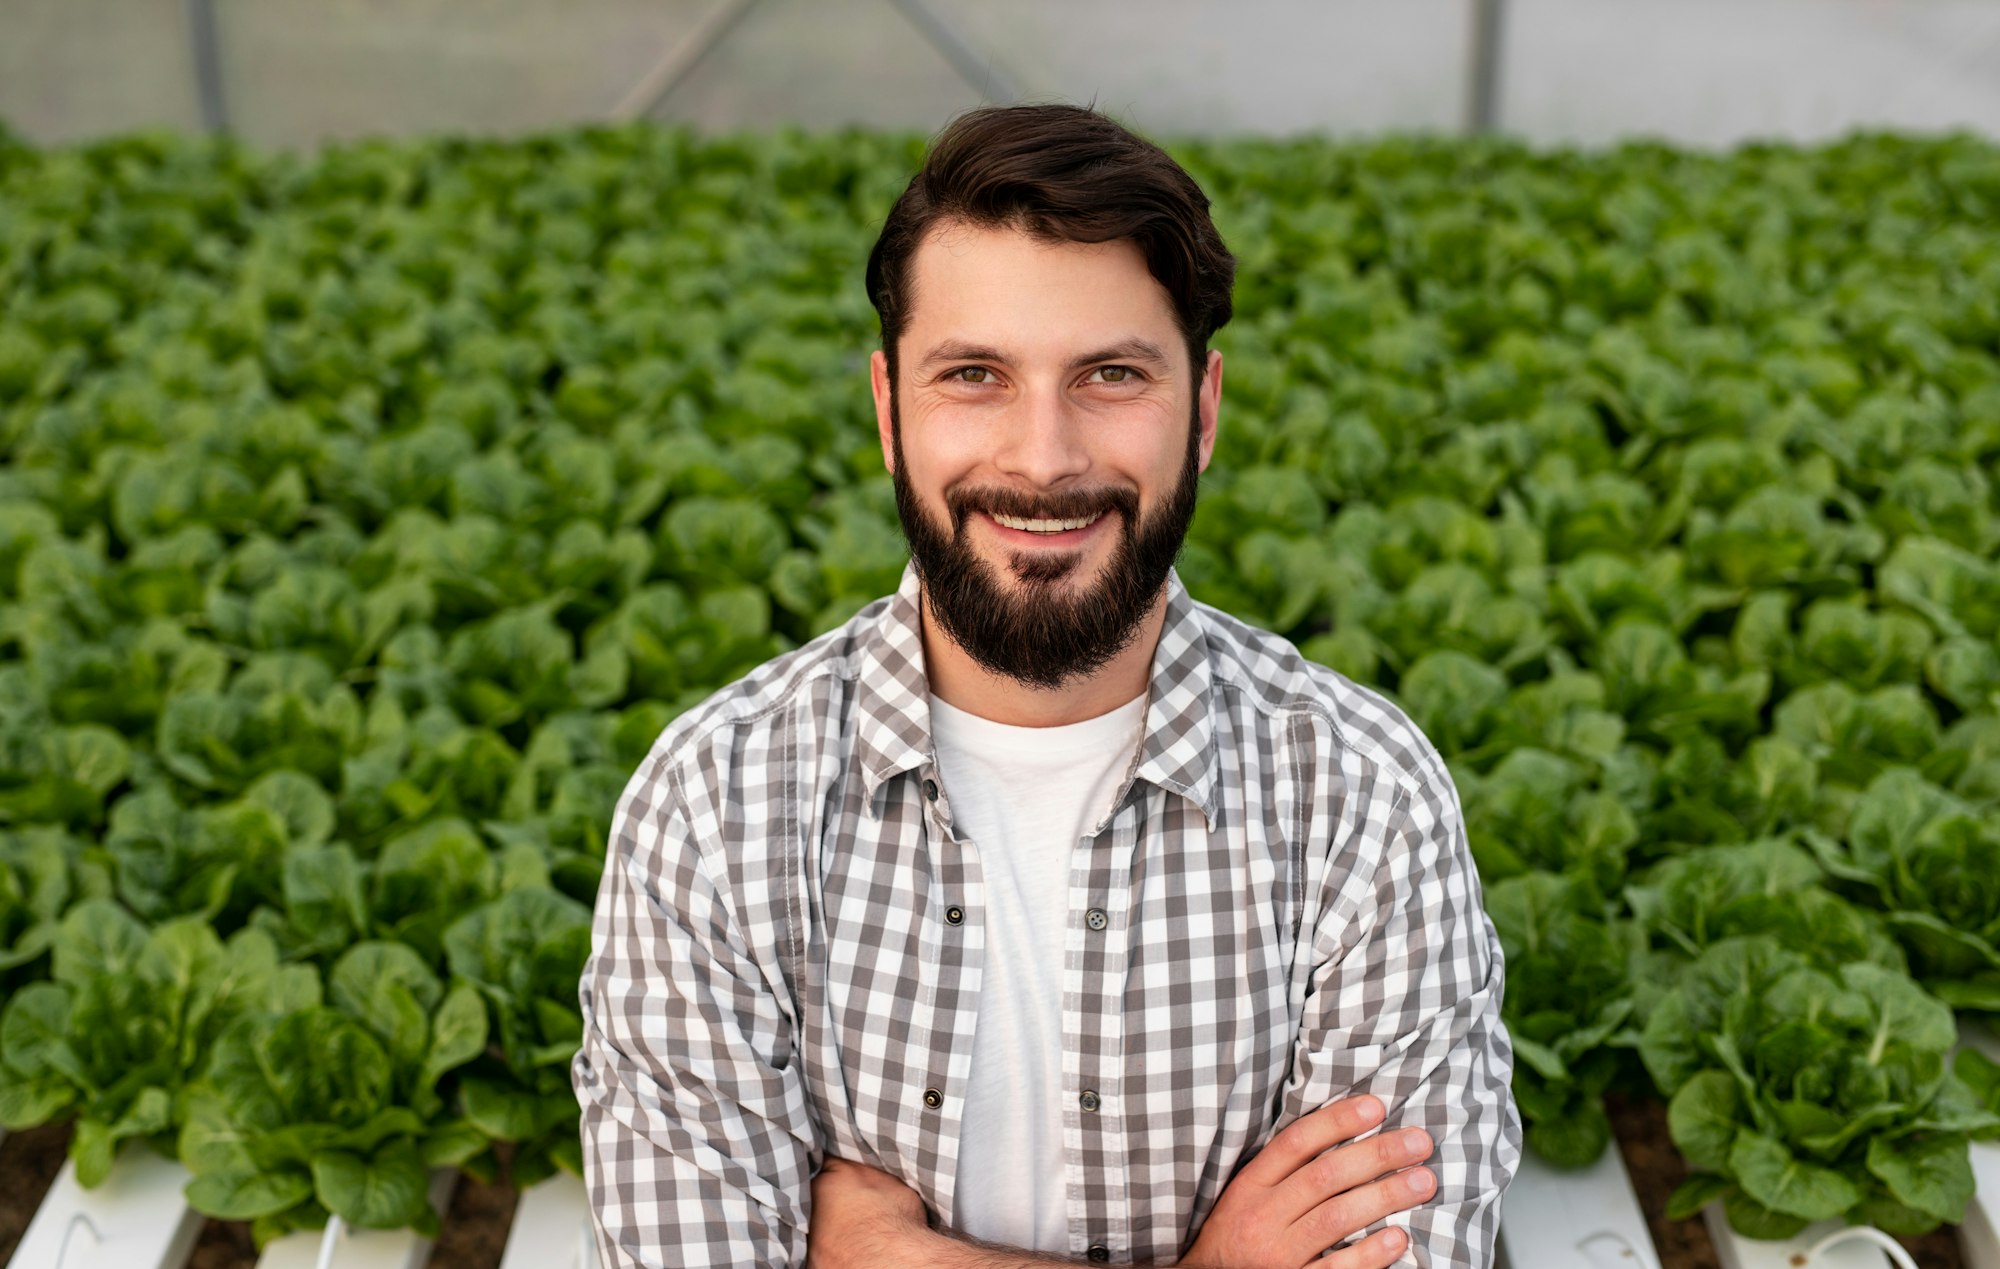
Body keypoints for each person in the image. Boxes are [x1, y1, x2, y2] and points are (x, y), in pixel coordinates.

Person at [572, 102, 1520, 1269]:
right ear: (886, 411)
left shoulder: (1357, 800)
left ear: (1204, 411)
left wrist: (901, 1262)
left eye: (1110, 375)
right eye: (973, 375)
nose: (1042, 457)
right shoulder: (714, 806)